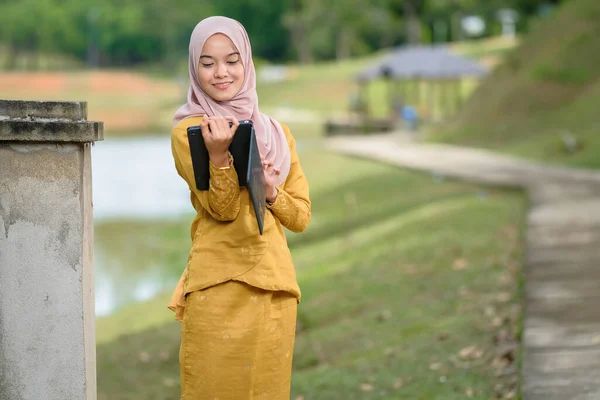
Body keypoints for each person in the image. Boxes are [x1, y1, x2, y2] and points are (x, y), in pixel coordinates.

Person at [167, 16, 311, 400]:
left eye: (232, 60)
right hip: (218, 287)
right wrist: (219, 159)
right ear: (194, 68)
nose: (221, 73)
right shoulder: (190, 132)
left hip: (275, 288)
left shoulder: (277, 134)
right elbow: (223, 209)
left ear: (247, 63)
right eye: (207, 62)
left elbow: (301, 217)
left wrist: (269, 191)